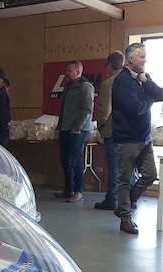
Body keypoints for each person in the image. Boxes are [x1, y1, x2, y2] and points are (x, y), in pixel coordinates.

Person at [111, 43, 163, 233]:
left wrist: (146, 82)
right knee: (124, 179)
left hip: (144, 139)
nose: (145, 61)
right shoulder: (122, 82)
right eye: (142, 57)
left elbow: (160, 94)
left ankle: (125, 204)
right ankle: (125, 219)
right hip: (127, 139)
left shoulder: (143, 78)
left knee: (150, 174)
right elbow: (136, 109)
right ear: (131, 59)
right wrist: (149, 99)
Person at [54, 60, 94, 203]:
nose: (67, 73)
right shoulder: (68, 87)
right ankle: (68, 189)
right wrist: (60, 126)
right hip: (65, 129)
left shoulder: (85, 87)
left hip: (78, 130)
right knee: (64, 160)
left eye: (69, 70)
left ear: (78, 72)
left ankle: (78, 191)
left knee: (75, 160)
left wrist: (77, 127)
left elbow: (87, 109)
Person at [94, 51, 125, 211]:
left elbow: (105, 109)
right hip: (127, 132)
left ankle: (111, 198)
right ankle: (127, 199)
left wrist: (100, 125)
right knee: (126, 166)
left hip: (111, 131)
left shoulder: (108, 83)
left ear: (109, 65)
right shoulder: (130, 80)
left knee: (113, 166)